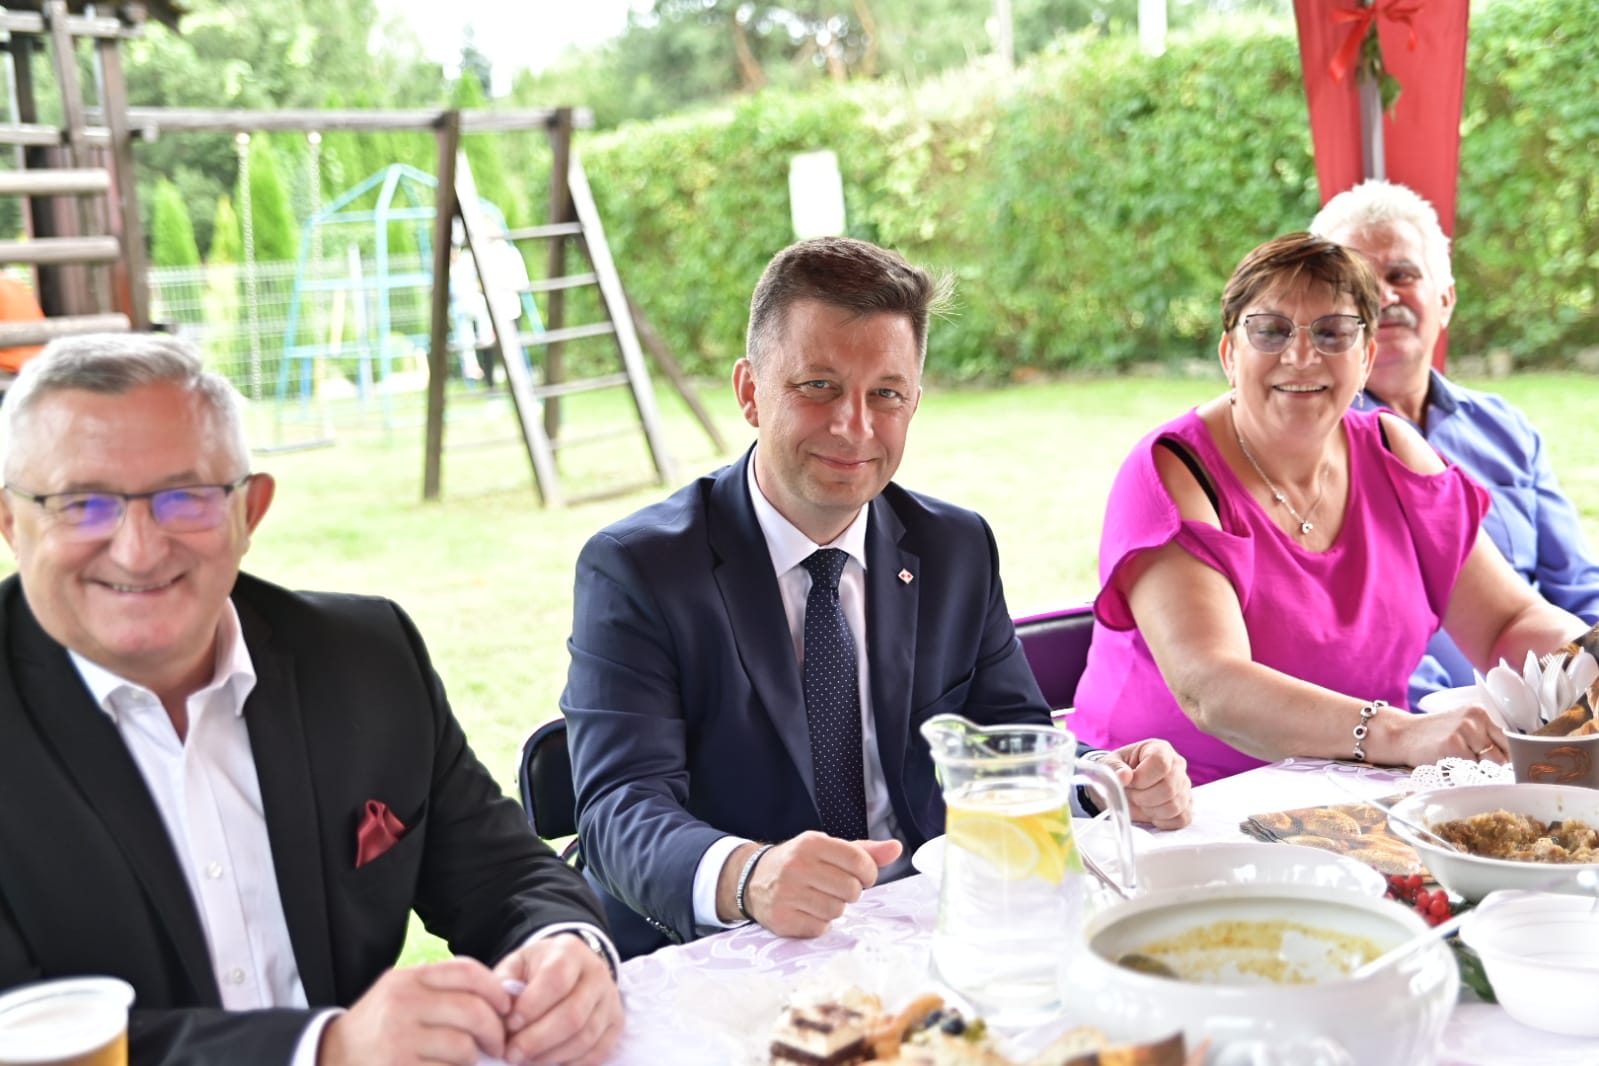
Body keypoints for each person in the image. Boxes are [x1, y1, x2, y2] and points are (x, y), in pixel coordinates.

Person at [561, 236, 1193, 960]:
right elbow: (619, 809)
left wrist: (1100, 778)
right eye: (818, 386)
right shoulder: (639, 568)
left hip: (914, 924)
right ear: (749, 392)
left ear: (913, 403)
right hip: (722, 948)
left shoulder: (954, 547)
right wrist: (749, 876)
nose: (853, 427)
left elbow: (1007, 733)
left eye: (885, 394)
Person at [0, 335, 623, 1066]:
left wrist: (565, 946)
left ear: (250, 510)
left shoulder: (365, 656)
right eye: (81, 504)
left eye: (185, 497)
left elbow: (500, 872)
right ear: (11, 523)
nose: (138, 549)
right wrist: (323, 1049)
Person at [1070, 233, 1587, 786]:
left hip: (1357, 794)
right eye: (1270, 331)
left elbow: (1509, 621)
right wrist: (1399, 734)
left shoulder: (1394, 451)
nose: (1301, 356)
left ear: (1365, 358)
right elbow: (1210, 687)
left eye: (1332, 332)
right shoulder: (1173, 470)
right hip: (1169, 800)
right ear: (1229, 355)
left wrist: (1588, 662)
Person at [1309, 180, 1599, 703]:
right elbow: (1346, 641)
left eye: (1402, 275)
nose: (1384, 296)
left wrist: (1580, 698)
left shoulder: (1504, 428)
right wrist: (1446, 723)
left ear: (1445, 300)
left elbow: (1578, 587)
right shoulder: (1309, 448)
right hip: (1410, 722)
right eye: (1359, 283)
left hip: (1552, 707)